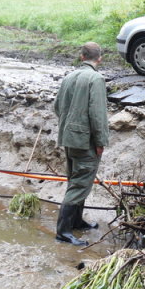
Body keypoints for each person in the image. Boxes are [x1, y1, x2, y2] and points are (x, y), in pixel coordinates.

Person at [54, 42, 110, 246]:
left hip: (68, 138)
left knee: (75, 180)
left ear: (81, 57)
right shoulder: (96, 78)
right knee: (79, 184)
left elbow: (57, 106)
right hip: (85, 141)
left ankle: (76, 221)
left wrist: (69, 127)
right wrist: (100, 140)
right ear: (99, 59)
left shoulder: (69, 77)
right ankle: (63, 232)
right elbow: (98, 114)